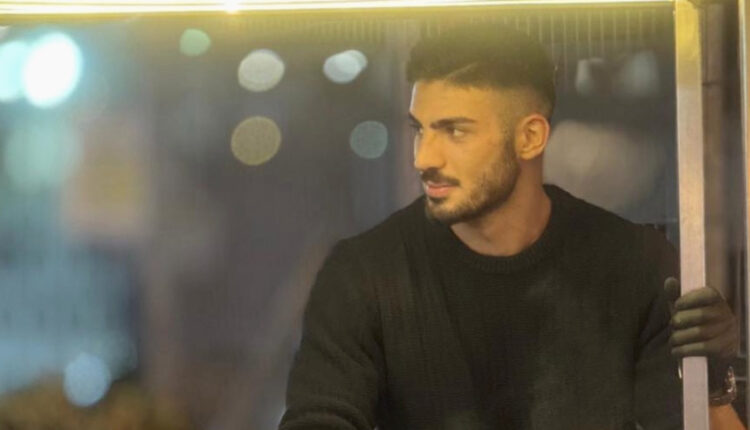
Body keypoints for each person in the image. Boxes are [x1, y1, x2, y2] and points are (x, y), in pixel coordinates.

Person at [279, 23, 741, 429]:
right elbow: (320, 417)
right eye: (419, 129)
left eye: (454, 131)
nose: (424, 158)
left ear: (530, 137)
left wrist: (708, 383)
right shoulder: (363, 276)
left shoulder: (636, 266)